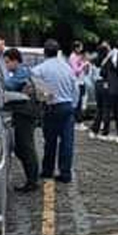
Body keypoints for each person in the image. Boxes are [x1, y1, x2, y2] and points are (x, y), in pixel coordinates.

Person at [33, 41, 79, 183]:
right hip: (67, 107)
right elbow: (75, 89)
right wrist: (74, 105)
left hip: (51, 107)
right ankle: (65, 173)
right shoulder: (67, 68)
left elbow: (40, 93)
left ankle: (48, 170)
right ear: (58, 52)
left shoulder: (39, 70)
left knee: (50, 141)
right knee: (67, 142)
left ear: (45, 53)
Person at [2, 48, 42, 192]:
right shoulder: (23, 71)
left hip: (26, 114)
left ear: (15, 60)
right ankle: (32, 178)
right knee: (22, 147)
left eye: (7, 62)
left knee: (26, 147)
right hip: (24, 114)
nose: (6, 65)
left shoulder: (21, 72)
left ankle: (32, 181)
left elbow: (8, 85)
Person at [88, 40, 112, 138]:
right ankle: (105, 130)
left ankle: (95, 129)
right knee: (107, 108)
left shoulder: (95, 60)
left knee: (99, 108)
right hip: (106, 83)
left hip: (97, 84)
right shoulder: (108, 61)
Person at [68, 42, 90, 119]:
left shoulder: (79, 57)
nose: (81, 49)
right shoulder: (73, 57)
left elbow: (84, 70)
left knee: (81, 101)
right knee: (77, 101)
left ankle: (79, 119)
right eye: (80, 47)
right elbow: (75, 70)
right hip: (76, 82)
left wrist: (85, 65)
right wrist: (83, 64)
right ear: (76, 48)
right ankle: (77, 119)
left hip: (81, 81)